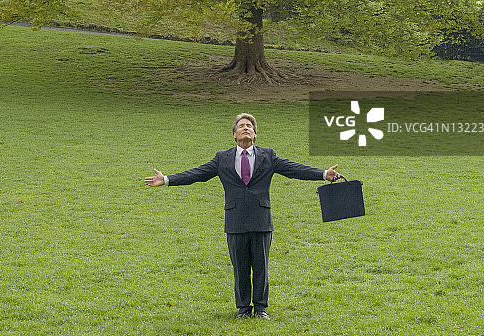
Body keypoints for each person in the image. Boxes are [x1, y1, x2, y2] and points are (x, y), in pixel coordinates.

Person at [144, 112, 341, 319]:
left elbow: (293, 169)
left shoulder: (268, 155)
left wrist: (322, 174)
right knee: (240, 268)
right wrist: (167, 179)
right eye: (241, 126)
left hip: (261, 219)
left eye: (249, 126)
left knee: (261, 267)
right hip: (235, 219)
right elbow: (198, 174)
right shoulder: (222, 158)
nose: (246, 128)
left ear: (255, 134)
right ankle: (243, 309)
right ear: (234, 135)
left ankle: (261, 308)